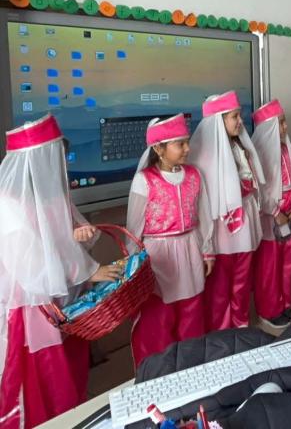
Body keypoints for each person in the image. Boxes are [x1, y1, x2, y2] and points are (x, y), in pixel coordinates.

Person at [0, 115, 121, 428]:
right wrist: (89, 272)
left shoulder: (55, 197)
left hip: (68, 303)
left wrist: (81, 236)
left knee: (72, 369)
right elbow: (30, 267)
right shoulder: (8, 204)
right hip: (36, 311)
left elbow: (69, 239)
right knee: (47, 381)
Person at [128, 114, 214, 367]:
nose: (187, 148)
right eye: (180, 144)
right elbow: (133, 229)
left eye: (187, 142)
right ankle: (159, 369)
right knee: (159, 315)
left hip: (189, 248)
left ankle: (191, 365)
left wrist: (207, 250)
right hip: (158, 255)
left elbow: (204, 215)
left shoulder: (194, 175)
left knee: (192, 309)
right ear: (159, 148)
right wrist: (135, 267)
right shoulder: (145, 180)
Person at [189, 91, 265, 330]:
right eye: (234, 116)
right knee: (220, 288)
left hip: (245, 225)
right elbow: (203, 204)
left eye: (239, 115)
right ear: (218, 120)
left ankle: (241, 327)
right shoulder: (204, 155)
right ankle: (222, 335)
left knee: (242, 282)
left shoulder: (240, 147)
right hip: (221, 231)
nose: (240, 121)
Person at [251, 100, 291, 327]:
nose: (285, 127)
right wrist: (274, 211)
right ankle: (268, 310)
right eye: (280, 123)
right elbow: (259, 189)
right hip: (272, 216)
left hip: (289, 211)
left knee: (286, 261)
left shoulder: (285, 148)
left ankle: (284, 304)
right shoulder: (260, 153)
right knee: (270, 265)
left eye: (284, 122)